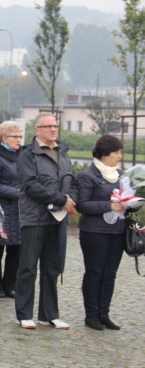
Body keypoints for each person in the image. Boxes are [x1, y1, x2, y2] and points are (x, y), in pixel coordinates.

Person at [15, 112, 76, 330]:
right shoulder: (28, 155)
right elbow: (31, 186)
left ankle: (49, 314)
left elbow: (72, 181)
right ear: (37, 130)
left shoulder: (63, 153)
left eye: (55, 126)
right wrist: (61, 199)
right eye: (47, 126)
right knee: (28, 267)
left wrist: (71, 199)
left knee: (52, 267)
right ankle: (23, 313)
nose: (52, 129)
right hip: (35, 218)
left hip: (57, 219)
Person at [76, 135, 126, 331]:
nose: (120, 156)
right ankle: (92, 314)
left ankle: (104, 313)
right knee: (95, 273)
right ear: (105, 154)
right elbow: (83, 204)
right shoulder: (88, 176)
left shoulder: (121, 175)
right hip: (94, 232)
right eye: (116, 152)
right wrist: (109, 205)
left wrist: (131, 203)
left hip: (117, 232)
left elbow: (124, 202)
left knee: (110, 274)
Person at [0, 121, 23, 298]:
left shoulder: (22, 156)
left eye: (20, 136)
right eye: (15, 137)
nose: (18, 140)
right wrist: (17, 192)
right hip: (0, 208)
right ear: (4, 138)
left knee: (16, 248)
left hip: (19, 209)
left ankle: (10, 284)